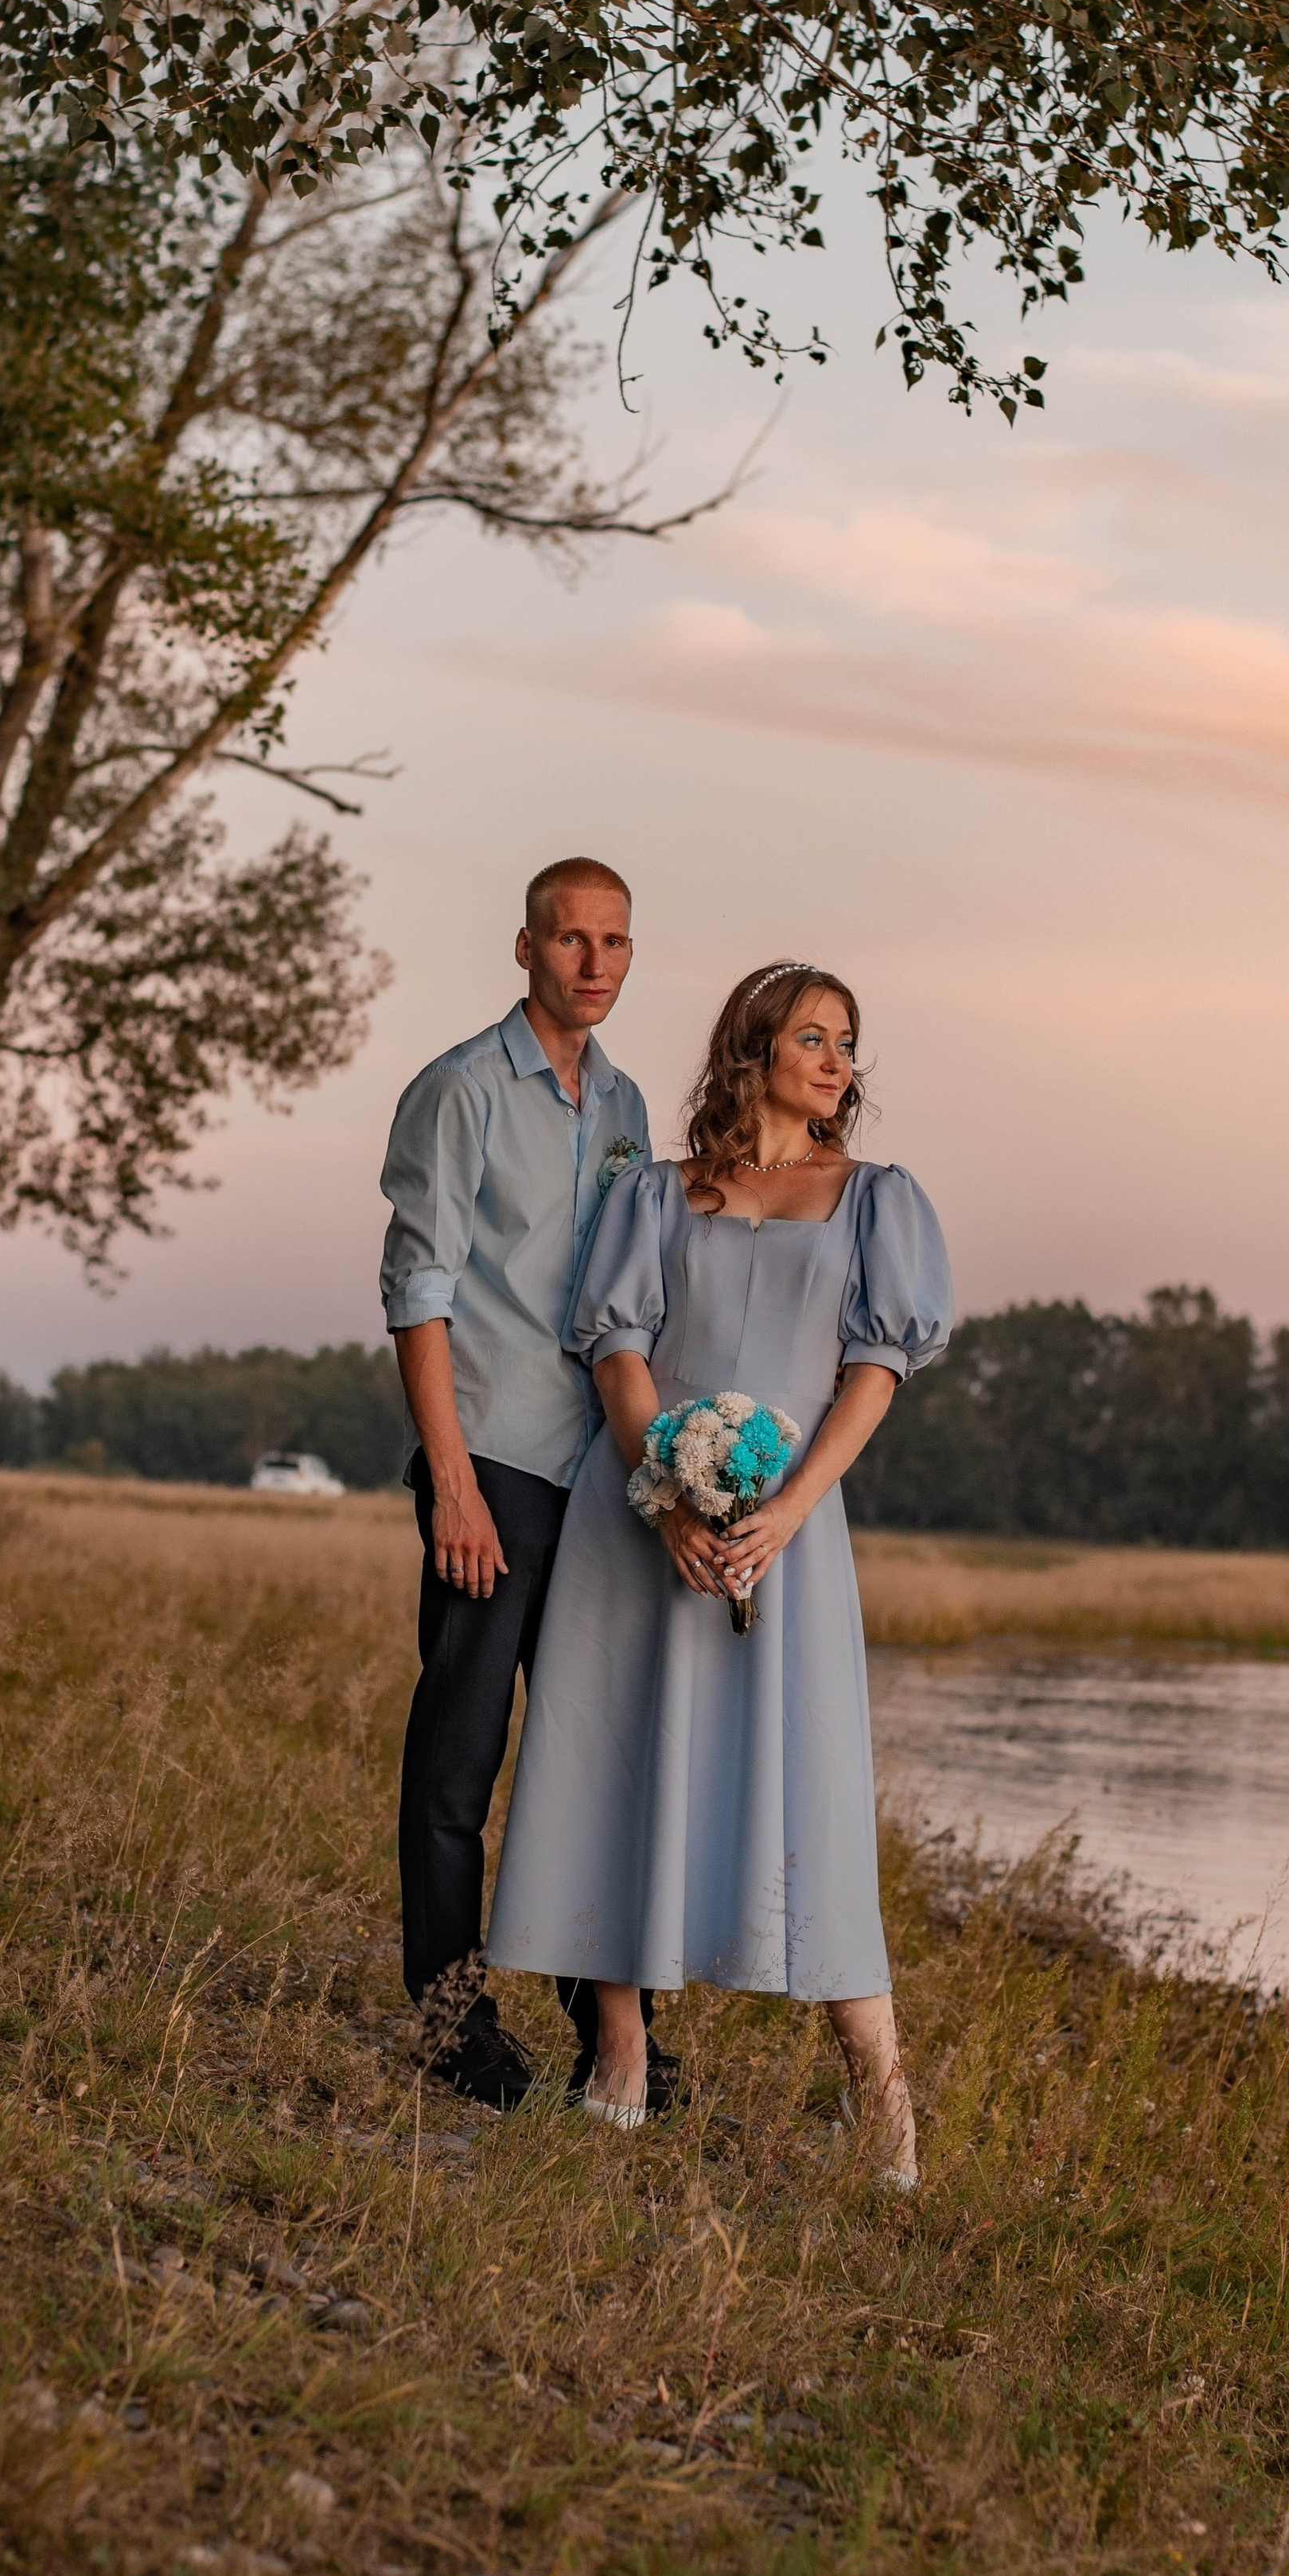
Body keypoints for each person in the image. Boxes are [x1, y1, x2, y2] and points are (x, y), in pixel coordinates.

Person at [484, 961, 954, 2184]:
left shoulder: (876, 1201)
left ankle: (887, 2114)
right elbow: (620, 1353)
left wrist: (791, 1507)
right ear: (753, 1048)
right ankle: (620, 2057)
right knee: (613, 1762)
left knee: (814, 1794)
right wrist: (664, 1495)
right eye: (813, 1035)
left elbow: (876, 1372)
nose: (838, 1060)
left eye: (849, 1041)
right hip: (640, 1520)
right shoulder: (653, 1195)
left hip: (785, 1538)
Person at [380, 857, 666, 2110]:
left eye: (613, 943)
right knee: (460, 1757)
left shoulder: (627, 1107)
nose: (592, 963)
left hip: (598, 1475)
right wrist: (451, 1482)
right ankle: (451, 2021)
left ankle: (615, 2038)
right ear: (524, 948)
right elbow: (418, 1289)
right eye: (570, 941)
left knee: (593, 1761)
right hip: (492, 1459)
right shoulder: (458, 1091)